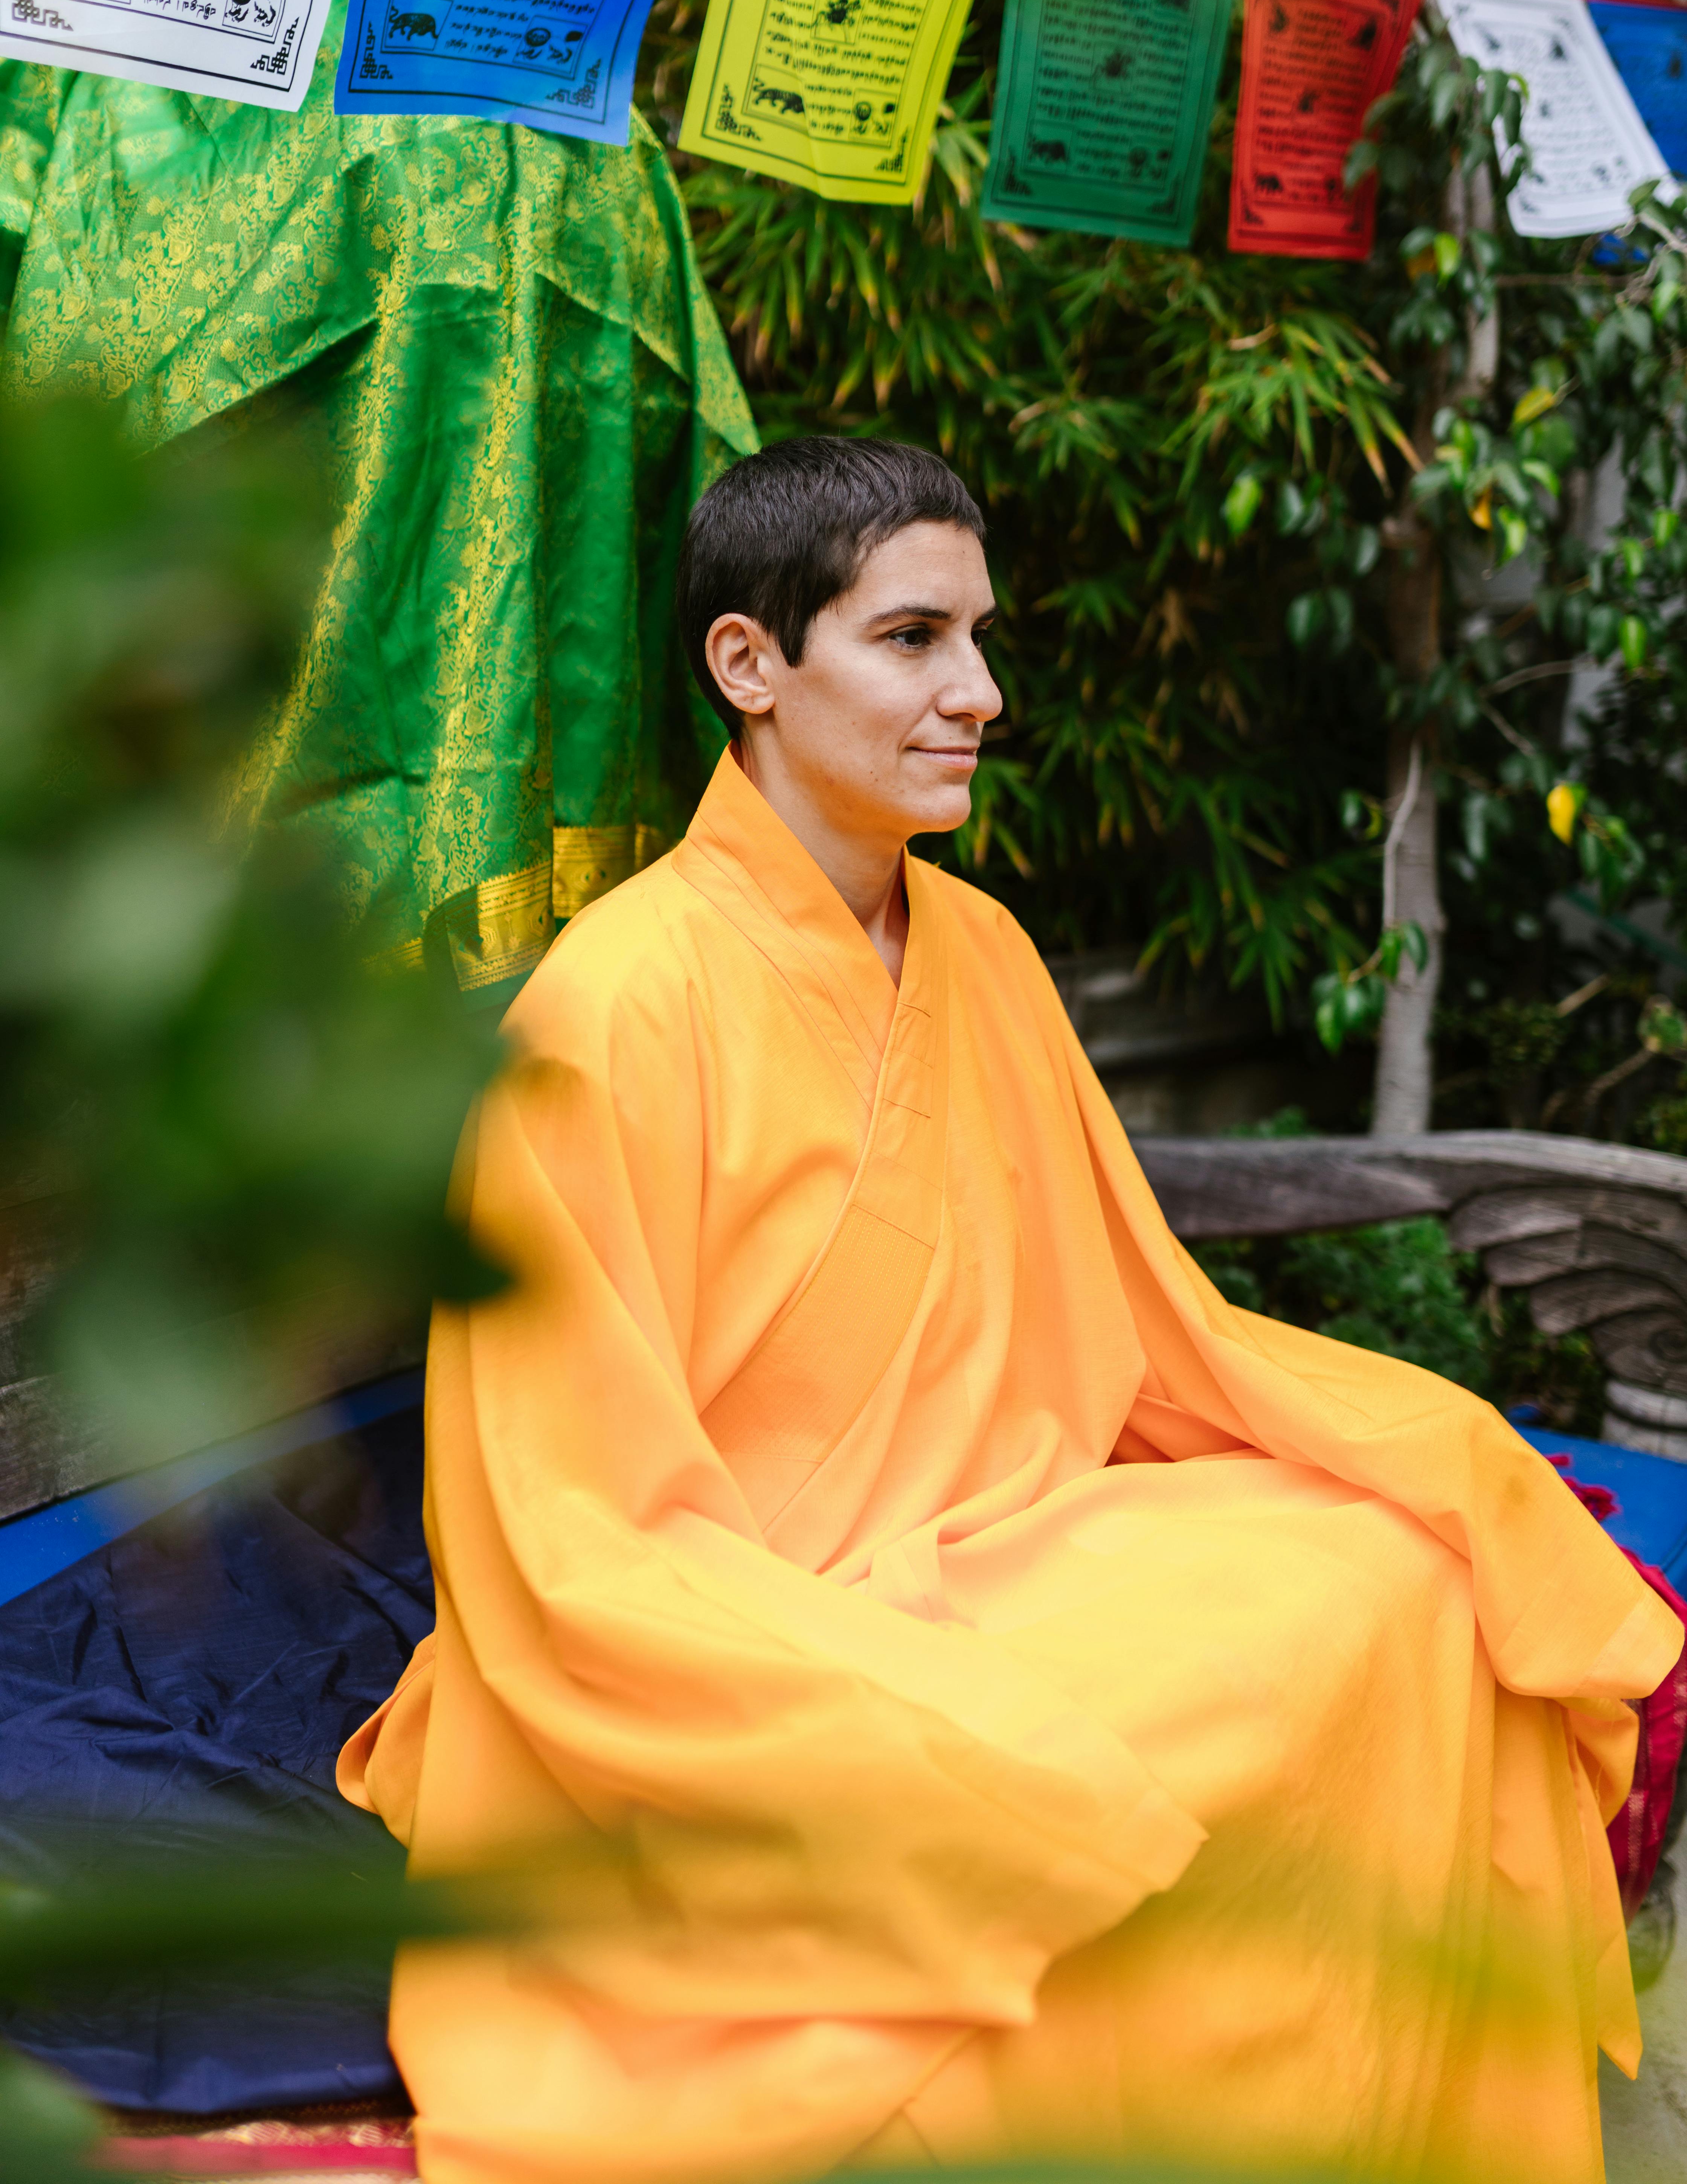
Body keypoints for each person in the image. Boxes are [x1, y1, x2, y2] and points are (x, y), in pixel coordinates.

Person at [340, 436, 1681, 2184]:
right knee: (1039, 1774)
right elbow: (565, 1512)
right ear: (749, 666)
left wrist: (1423, 1445)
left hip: (992, 1527)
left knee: (1409, 1568)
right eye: (912, 640)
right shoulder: (608, 1011)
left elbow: (1138, 1317)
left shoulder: (975, 945)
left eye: (978, 639)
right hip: (724, 1610)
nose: (978, 692)